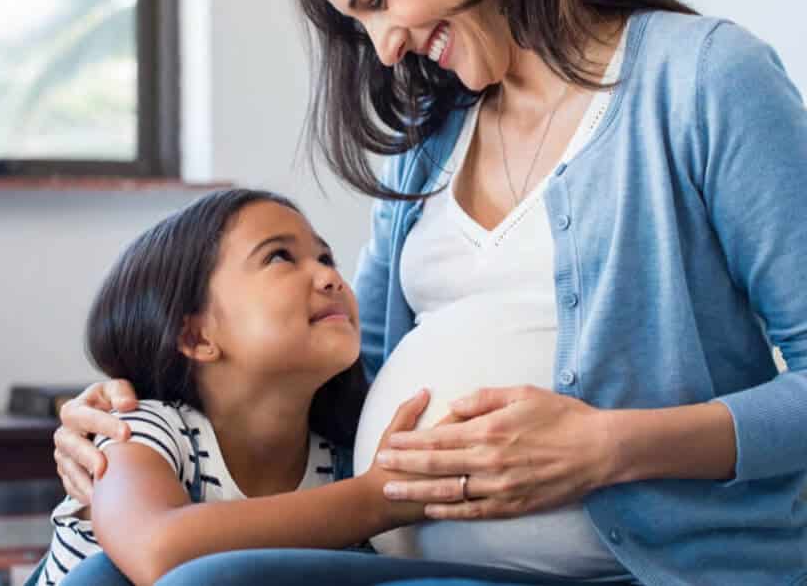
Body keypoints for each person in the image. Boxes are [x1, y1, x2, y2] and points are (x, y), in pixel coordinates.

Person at [50, 0, 807, 584]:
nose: (383, 49)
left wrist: (609, 446)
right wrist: (133, 418)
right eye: (359, 22)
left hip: (640, 565)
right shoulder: (426, 144)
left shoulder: (704, 81)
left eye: (378, 0)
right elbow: (353, 382)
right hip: (399, 557)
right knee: (96, 577)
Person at [37, 188, 583, 586]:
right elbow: (156, 550)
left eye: (326, 257)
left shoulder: (336, 457)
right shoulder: (142, 433)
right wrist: (377, 498)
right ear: (196, 334)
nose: (328, 277)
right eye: (280, 257)